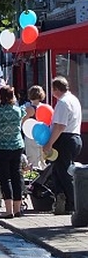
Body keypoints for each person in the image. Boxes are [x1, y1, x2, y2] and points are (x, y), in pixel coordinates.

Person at [44, 76, 83, 215]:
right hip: (75, 137)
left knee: (63, 172)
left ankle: (73, 203)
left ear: (56, 89)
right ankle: (62, 200)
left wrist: (49, 143)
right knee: (58, 171)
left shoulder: (62, 103)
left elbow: (60, 126)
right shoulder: (74, 99)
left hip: (65, 138)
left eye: (53, 89)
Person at [0, 85, 25, 219]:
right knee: (16, 176)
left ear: (0, 97)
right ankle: (17, 208)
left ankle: (8, 210)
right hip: (16, 146)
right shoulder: (18, 111)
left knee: (4, 178)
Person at [22, 85, 47, 169]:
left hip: (31, 136)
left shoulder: (29, 109)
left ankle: (33, 179)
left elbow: (22, 122)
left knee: (32, 160)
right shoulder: (45, 107)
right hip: (43, 136)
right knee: (42, 160)